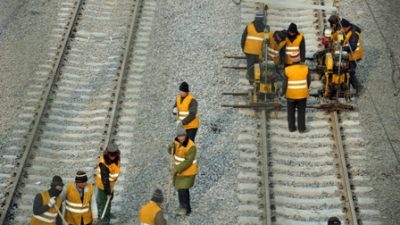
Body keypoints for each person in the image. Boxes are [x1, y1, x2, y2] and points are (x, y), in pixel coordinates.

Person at [168, 125, 198, 216]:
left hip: (188, 172)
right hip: (180, 172)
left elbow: (188, 161)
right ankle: (185, 208)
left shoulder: (191, 146)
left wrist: (176, 169)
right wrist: (170, 147)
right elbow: (171, 152)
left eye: (183, 136)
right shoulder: (176, 142)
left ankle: (184, 208)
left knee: (182, 189)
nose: (181, 138)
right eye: (179, 136)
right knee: (181, 189)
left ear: (186, 136)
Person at [96, 142, 121, 225]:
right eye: (111, 154)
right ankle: (105, 221)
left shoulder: (116, 158)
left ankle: (107, 214)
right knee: (104, 203)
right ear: (108, 153)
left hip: (111, 185)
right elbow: (105, 180)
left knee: (109, 200)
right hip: (103, 186)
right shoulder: (103, 164)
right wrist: (108, 192)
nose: (113, 157)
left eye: (114, 154)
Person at [282, 61, 311, 133]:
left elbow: (284, 83)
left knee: (290, 112)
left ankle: (291, 128)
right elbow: (308, 81)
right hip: (302, 94)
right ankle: (301, 129)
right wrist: (305, 88)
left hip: (291, 94)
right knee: (301, 112)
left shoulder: (287, 69)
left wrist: (284, 92)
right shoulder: (306, 68)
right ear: (299, 61)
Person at [340, 18, 364, 96]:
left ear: (346, 27)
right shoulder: (348, 30)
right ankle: (348, 87)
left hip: (354, 56)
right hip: (350, 55)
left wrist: (342, 49)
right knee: (347, 71)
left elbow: (352, 47)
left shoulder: (353, 34)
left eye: (342, 28)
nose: (341, 30)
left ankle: (359, 88)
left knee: (350, 73)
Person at [241, 10, 266, 84]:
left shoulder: (249, 26)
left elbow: (243, 39)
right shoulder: (265, 29)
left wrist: (244, 49)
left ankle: (252, 83)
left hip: (249, 51)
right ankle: (258, 82)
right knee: (258, 68)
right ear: (263, 19)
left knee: (250, 68)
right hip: (259, 53)